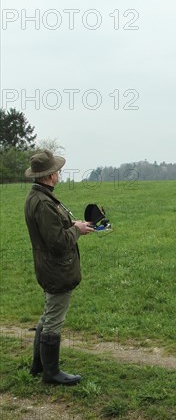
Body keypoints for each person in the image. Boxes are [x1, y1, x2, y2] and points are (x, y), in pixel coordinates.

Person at [24, 150, 94, 385]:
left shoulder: (38, 196)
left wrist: (71, 223)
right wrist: (78, 231)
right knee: (54, 319)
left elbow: (51, 229)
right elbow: (57, 243)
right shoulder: (43, 203)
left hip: (48, 267)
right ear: (50, 175)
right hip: (56, 269)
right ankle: (51, 373)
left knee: (48, 313)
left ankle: (38, 364)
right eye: (57, 171)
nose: (59, 173)